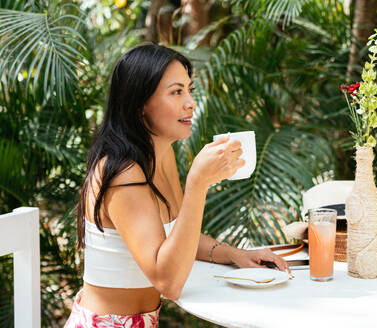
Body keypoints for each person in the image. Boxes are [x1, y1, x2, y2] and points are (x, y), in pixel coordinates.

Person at [64, 43, 290, 327]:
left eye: (189, 90)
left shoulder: (161, 153)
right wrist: (198, 183)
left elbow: (176, 239)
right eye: (176, 92)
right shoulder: (123, 173)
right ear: (140, 103)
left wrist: (235, 254)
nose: (190, 102)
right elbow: (168, 283)